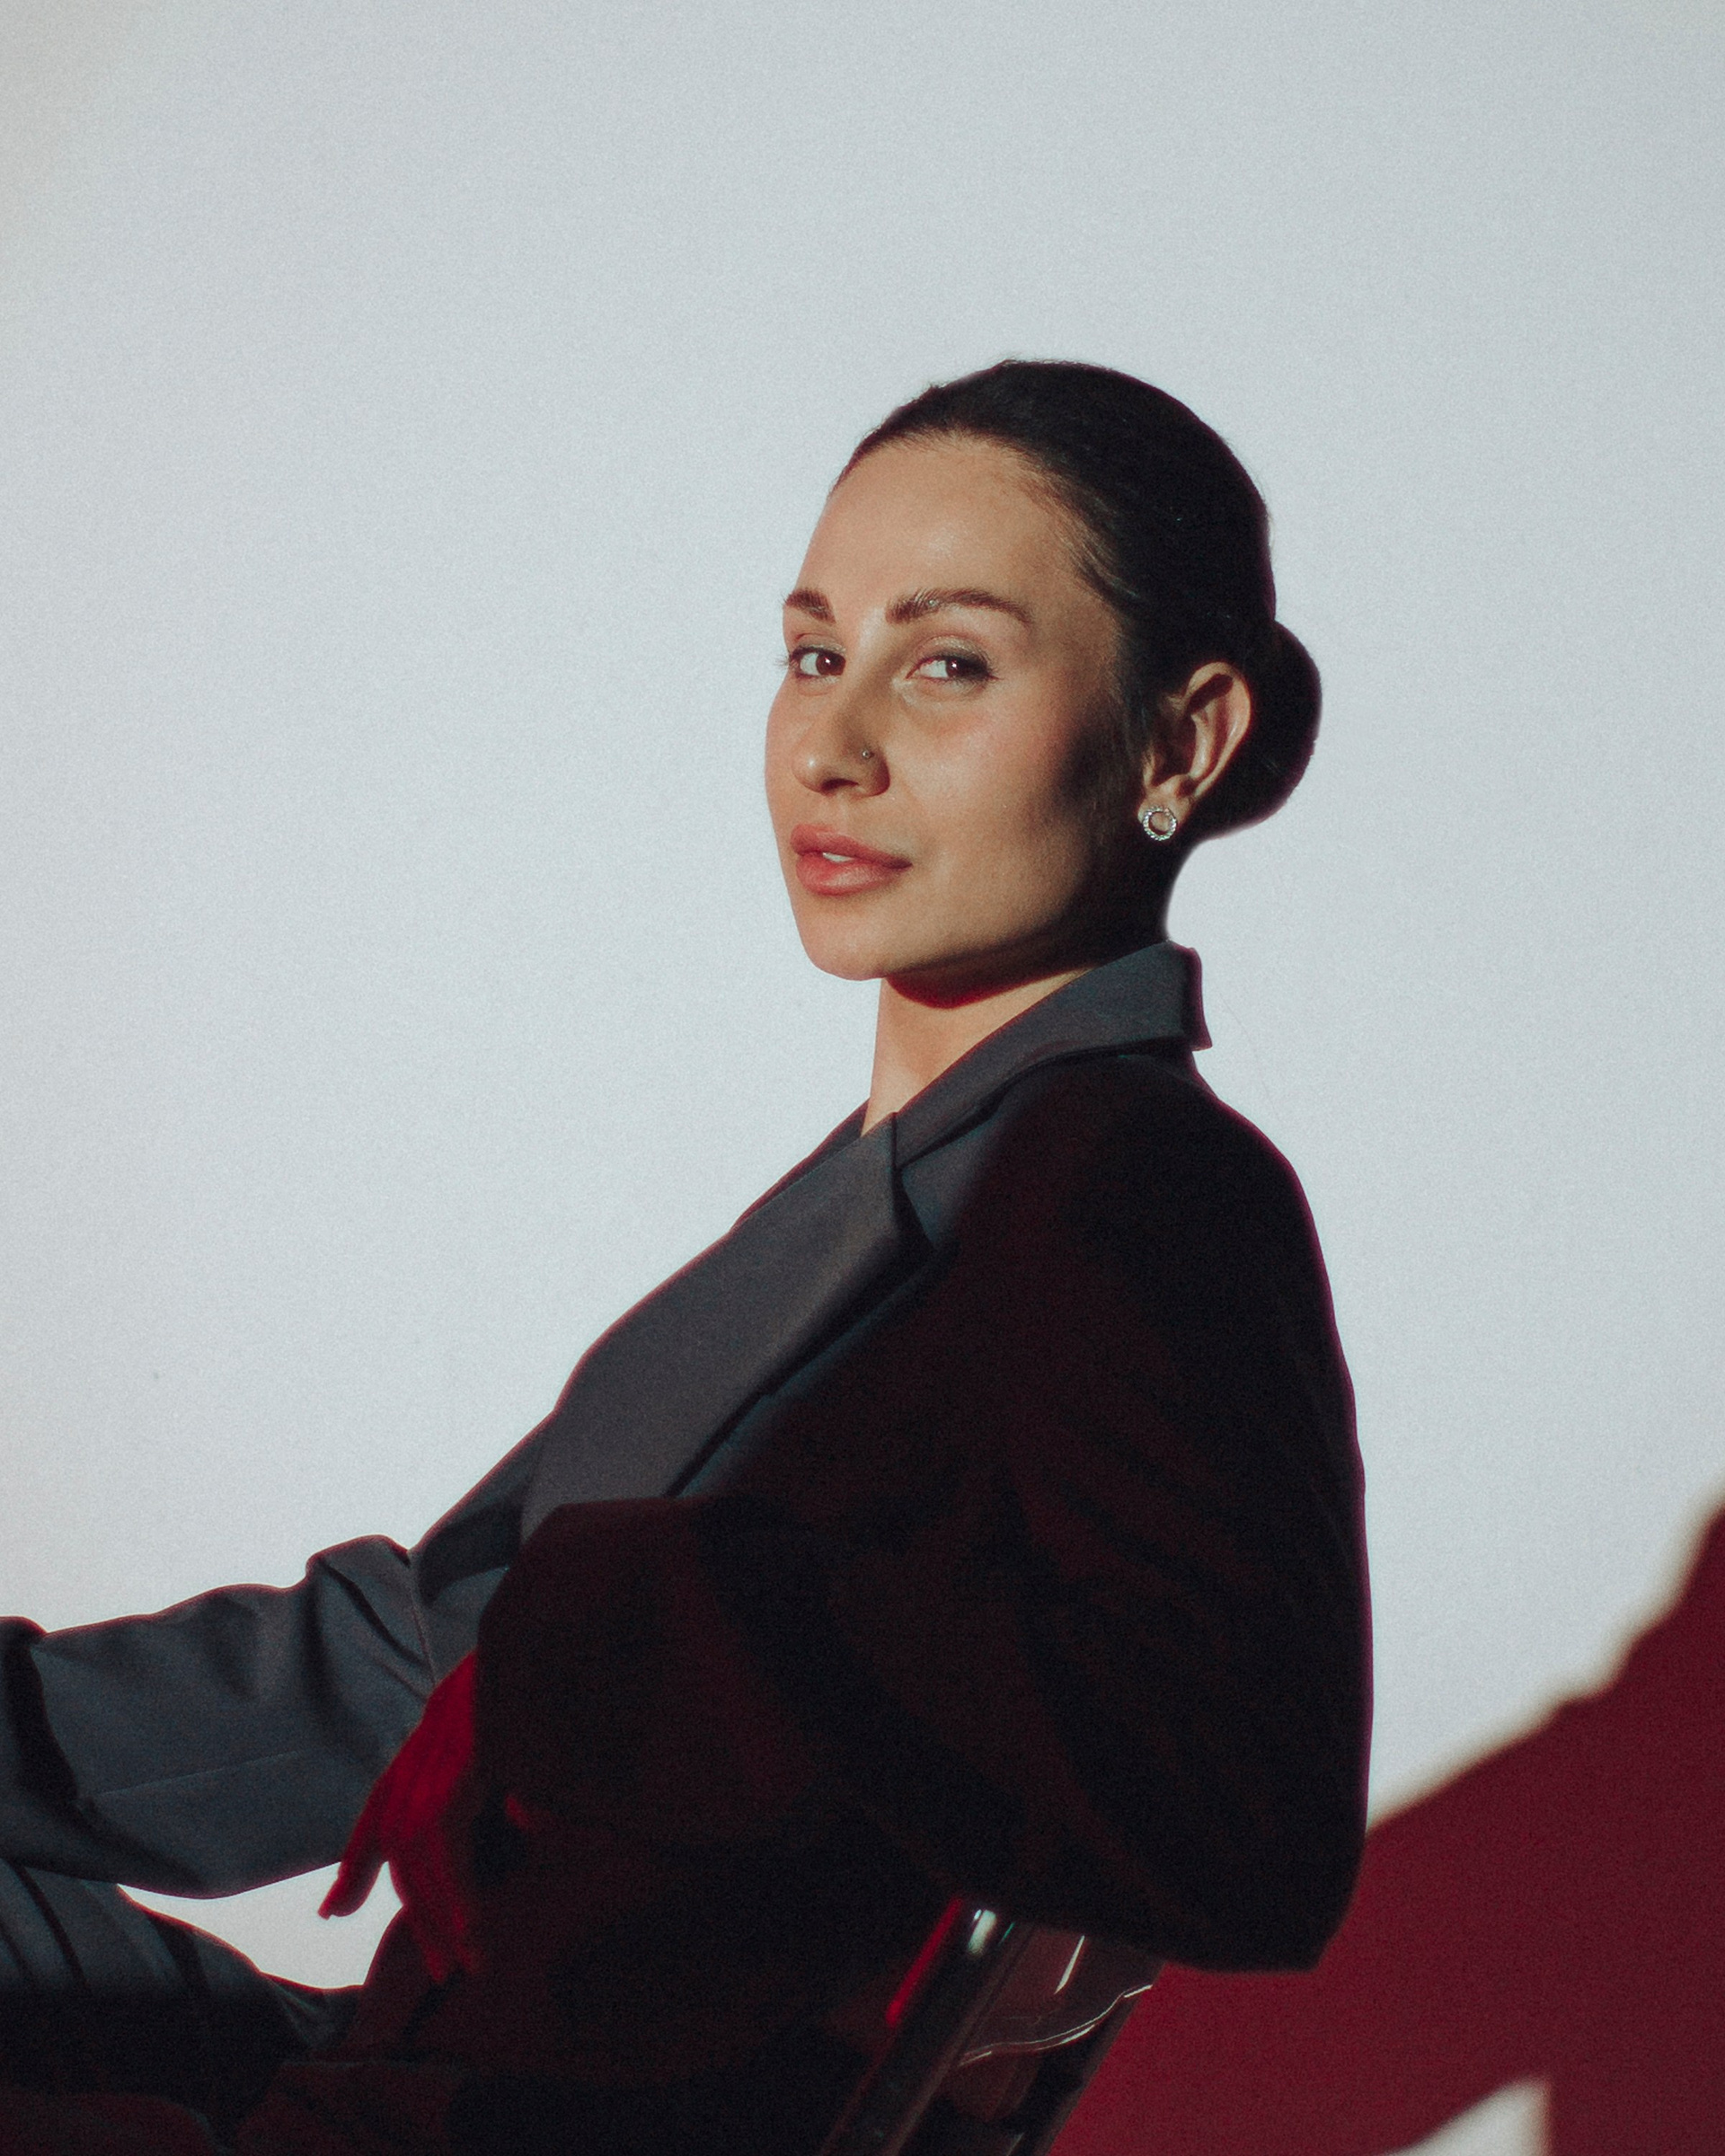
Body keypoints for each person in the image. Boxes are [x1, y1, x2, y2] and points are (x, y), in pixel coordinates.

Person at [0, 361, 1370, 2154]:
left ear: (1181, 742)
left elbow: (1248, 1816)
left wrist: (701, 1618)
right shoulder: (907, 1179)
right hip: (404, 2066)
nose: (832, 744)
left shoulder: (1131, 1185)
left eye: (948, 663)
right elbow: (422, 1662)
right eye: (815, 653)